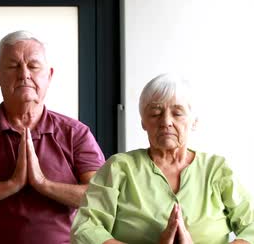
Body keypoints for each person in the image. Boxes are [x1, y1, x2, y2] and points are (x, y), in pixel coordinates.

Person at [0, 30, 105, 244]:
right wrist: (12, 184)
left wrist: (43, 184)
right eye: (13, 66)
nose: (24, 74)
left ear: (50, 75)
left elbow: (101, 198)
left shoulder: (75, 133)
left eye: (33, 66)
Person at [71, 73, 254, 244]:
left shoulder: (216, 169)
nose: (166, 121)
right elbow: (85, 229)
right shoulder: (119, 168)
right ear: (143, 122)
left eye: (177, 113)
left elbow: (251, 228)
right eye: (155, 113)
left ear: (194, 121)